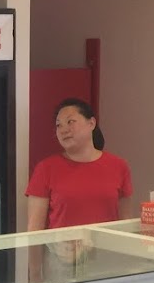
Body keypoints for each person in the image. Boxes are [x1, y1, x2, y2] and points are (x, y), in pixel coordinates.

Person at [25, 98, 133, 231]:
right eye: (58, 125)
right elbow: (34, 229)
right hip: (62, 245)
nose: (63, 130)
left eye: (70, 122)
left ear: (91, 123)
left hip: (107, 244)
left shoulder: (119, 166)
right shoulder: (45, 169)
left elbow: (126, 221)